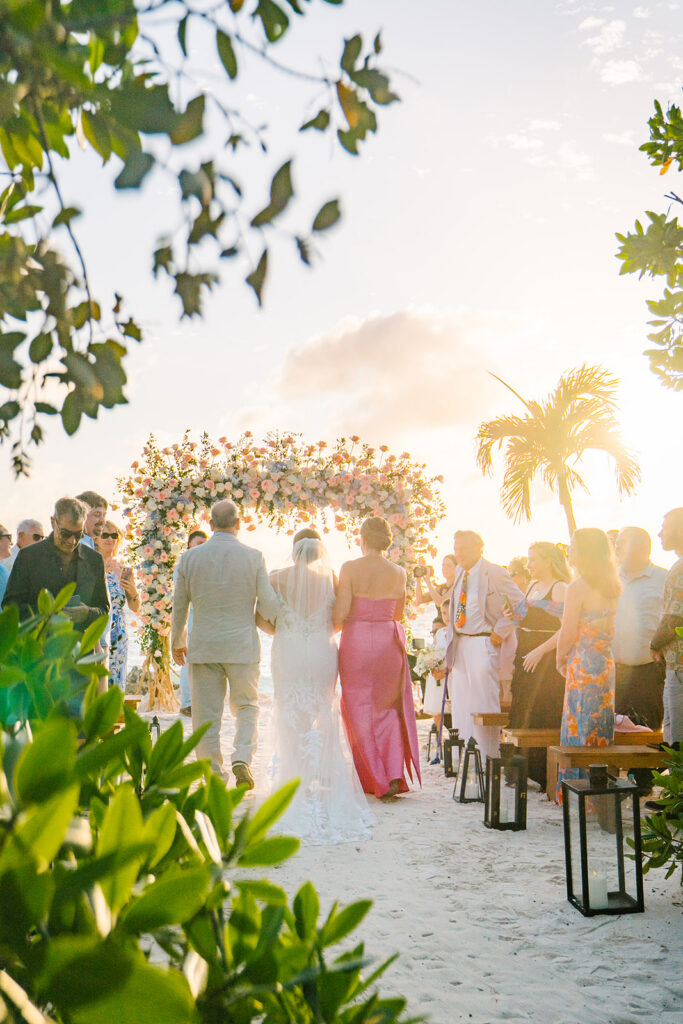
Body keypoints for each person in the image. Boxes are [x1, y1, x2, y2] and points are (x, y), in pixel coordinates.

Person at [256, 528, 373, 844]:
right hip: (322, 649)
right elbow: (339, 618)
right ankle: (318, 776)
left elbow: (260, 618)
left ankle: (293, 778)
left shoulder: (276, 577)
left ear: (294, 550)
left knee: (288, 709)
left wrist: (286, 629)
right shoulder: (330, 578)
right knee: (322, 710)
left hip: (289, 649)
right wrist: (317, 629)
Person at [171, 499, 279, 788]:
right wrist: (287, 624)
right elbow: (268, 603)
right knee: (247, 707)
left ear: (210, 524)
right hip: (242, 646)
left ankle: (214, 776)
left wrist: (177, 641)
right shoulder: (254, 557)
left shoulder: (189, 558)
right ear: (239, 524)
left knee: (206, 717)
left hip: (204, 646)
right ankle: (242, 758)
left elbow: (179, 606)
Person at [334, 516, 420, 799]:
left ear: (362, 538)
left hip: (357, 641)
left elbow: (341, 612)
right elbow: (399, 614)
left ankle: (375, 779)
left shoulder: (349, 568)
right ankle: (393, 773)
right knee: (387, 708)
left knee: (357, 707)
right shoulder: (399, 572)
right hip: (387, 643)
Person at [445, 531, 523, 761]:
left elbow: (520, 604)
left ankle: (488, 755)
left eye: (463, 549)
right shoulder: (460, 572)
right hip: (461, 642)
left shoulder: (495, 572)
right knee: (461, 702)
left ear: (479, 548)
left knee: (483, 701)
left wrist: (500, 631)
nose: (459, 554)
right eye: (456, 549)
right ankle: (465, 757)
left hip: (483, 640)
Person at [556, 528, 621, 801]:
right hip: (604, 662)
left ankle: (577, 795)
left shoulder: (578, 587)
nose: (569, 550)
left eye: (573, 546)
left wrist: (560, 657)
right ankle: (599, 792)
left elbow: (568, 630)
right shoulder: (612, 584)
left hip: (583, 662)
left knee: (579, 724)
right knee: (599, 726)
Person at [508, 542, 570, 788]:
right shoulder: (533, 586)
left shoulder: (560, 588)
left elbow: (566, 628)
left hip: (545, 657)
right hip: (525, 652)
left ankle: (544, 773)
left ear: (548, 561)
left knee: (542, 710)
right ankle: (522, 769)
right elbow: (525, 618)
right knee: (523, 707)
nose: (529, 564)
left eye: (533, 559)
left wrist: (540, 651)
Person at [3, 497, 109, 629]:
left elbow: (104, 609)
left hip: (79, 641)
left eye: (78, 535)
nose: (72, 541)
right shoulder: (28, 556)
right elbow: (10, 605)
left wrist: (88, 613)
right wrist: (47, 616)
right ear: (53, 523)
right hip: (38, 640)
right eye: (65, 534)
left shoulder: (94, 560)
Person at [613, 527, 667, 729]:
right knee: (611, 735)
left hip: (649, 673)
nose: (616, 547)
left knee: (647, 732)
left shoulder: (665, 578)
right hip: (612, 673)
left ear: (642, 547)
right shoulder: (609, 578)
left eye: (622, 542)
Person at [650, 508, 683, 750]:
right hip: (675, 663)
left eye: (665, 527)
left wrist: (655, 644)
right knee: (671, 739)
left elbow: (675, 618)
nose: (660, 534)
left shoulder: (680, 569)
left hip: (680, 663)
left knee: (677, 742)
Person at [95, 520, 141, 692]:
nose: (110, 539)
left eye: (114, 535)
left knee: (115, 678)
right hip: (97, 627)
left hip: (118, 632)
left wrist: (134, 592)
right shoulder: (90, 565)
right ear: (96, 539)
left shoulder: (125, 570)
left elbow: (135, 607)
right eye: (105, 535)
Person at [174, 529, 208, 716]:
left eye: (205, 544)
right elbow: (181, 598)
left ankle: (200, 701)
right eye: (199, 544)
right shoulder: (182, 565)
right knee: (188, 660)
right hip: (191, 618)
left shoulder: (208, 565)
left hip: (206, 619)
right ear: (189, 545)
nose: (203, 547)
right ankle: (187, 702)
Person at [414, 555, 457, 627]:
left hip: (452, 626)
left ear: (457, 569)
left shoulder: (457, 586)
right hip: (439, 627)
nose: (444, 568)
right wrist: (418, 578)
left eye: (449, 566)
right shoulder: (441, 588)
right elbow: (420, 599)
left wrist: (428, 582)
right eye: (443, 565)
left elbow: (441, 602)